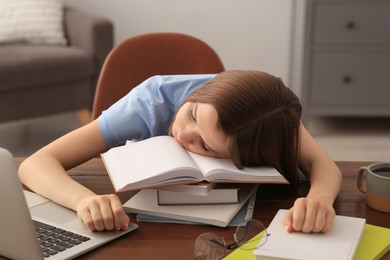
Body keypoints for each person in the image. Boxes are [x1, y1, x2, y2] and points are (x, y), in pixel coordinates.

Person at [18, 70, 342, 233]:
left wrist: (319, 200)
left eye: (205, 146)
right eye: (192, 115)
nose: (182, 132)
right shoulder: (150, 101)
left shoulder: (267, 117)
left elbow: (322, 165)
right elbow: (36, 164)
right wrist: (84, 200)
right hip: (139, 224)